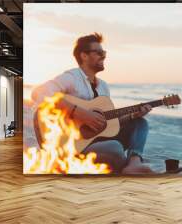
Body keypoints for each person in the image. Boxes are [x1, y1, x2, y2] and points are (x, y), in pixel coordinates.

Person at [31, 33, 153, 174]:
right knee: (115, 148)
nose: (104, 56)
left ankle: (134, 163)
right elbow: (39, 92)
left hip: (96, 142)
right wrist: (78, 112)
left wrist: (132, 115)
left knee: (139, 123)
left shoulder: (103, 87)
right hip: (71, 147)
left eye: (104, 53)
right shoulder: (72, 77)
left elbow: (107, 124)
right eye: (99, 52)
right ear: (84, 56)